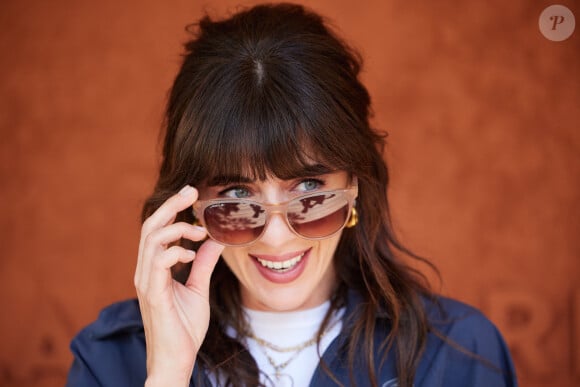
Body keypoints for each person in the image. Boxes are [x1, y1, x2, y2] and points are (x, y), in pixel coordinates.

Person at [66, 3, 517, 387]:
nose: (277, 239)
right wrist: (167, 372)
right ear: (192, 206)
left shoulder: (458, 356)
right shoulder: (110, 362)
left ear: (354, 187)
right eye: (237, 196)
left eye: (309, 189)